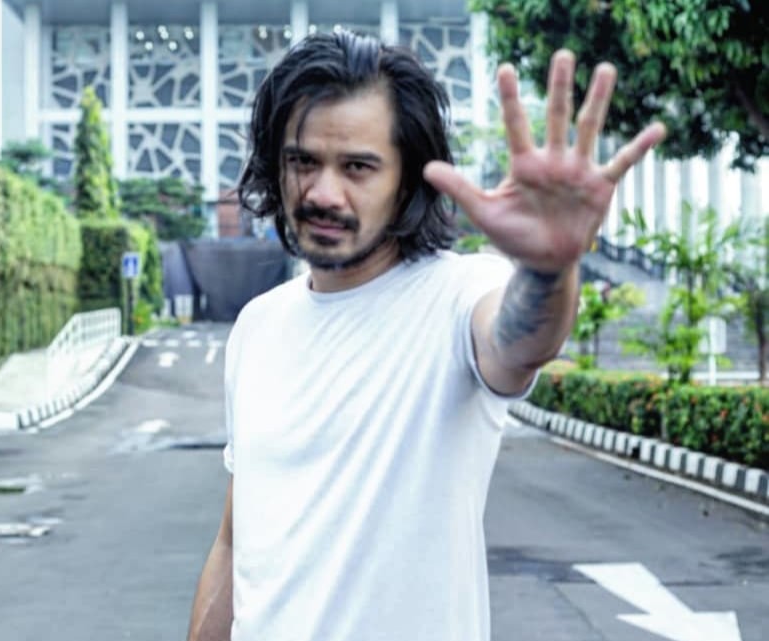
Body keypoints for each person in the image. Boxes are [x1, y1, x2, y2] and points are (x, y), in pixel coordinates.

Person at [186, 30, 665, 641]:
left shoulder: (460, 296)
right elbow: (235, 541)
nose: (323, 193)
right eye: (303, 161)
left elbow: (521, 341)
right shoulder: (258, 326)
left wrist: (549, 268)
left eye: (358, 167)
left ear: (409, 181)